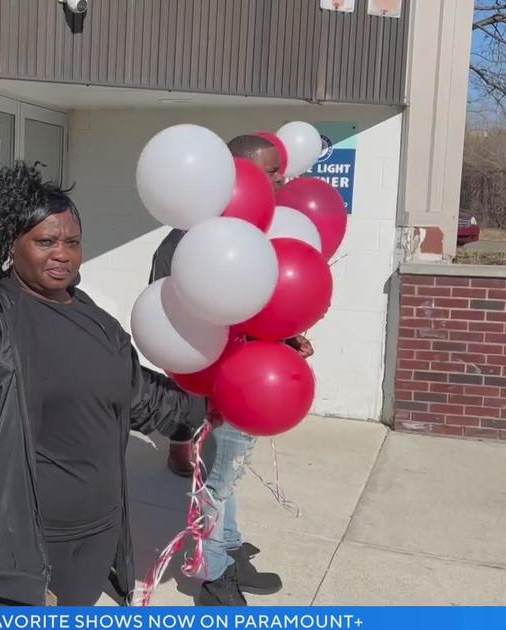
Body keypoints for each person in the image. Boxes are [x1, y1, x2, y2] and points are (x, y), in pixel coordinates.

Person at [0, 163, 207, 606]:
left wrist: (211, 403)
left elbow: (135, 396)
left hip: (96, 536)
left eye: (72, 242)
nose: (62, 254)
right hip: (13, 543)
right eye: (45, 242)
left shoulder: (97, 322)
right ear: (12, 244)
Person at [149, 134, 311, 605]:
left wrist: (285, 337)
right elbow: (179, 319)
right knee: (215, 482)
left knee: (229, 475)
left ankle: (231, 550)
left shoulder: (255, 230)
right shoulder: (187, 240)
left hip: (255, 378)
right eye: (270, 173)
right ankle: (212, 578)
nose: (282, 180)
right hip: (218, 383)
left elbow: (258, 304)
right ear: (238, 173)